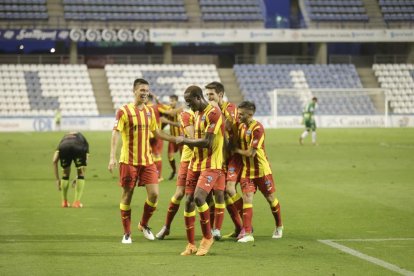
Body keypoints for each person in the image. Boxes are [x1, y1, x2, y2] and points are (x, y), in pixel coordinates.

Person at [108, 78, 178, 244]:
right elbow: (115, 132)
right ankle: (126, 233)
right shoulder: (124, 111)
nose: (145, 93)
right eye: (142, 90)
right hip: (128, 161)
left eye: (147, 91)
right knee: (127, 194)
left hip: (147, 161)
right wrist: (112, 156)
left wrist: (176, 139)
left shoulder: (150, 112)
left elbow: (157, 132)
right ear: (134, 91)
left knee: (154, 194)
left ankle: (143, 224)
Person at [175, 85, 226, 256]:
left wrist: (184, 140)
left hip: (212, 164)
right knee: (188, 200)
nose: (189, 106)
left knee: (198, 197)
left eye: (190, 102)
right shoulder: (196, 114)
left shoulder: (214, 113)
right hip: (195, 163)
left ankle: (207, 237)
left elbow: (207, 142)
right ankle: (190, 244)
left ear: (198, 97)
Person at [233, 101, 283, 243]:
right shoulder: (241, 126)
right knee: (247, 198)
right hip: (247, 171)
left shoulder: (258, 129)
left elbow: (251, 153)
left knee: (270, 199)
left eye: (241, 114)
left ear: (250, 114)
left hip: (262, 171)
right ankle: (248, 233)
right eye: (238, 113)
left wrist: (234, 150)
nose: (239, 116)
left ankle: (279, 226)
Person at [205, 81, 243, 239]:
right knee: (225, 194)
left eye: (211, 94)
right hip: (220, 157)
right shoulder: (210, 110)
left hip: (234, 156)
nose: (209, 98)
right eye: (207, 95)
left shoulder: (230, 108)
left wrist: (216, 111)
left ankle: (246, 226)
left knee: (229, 189)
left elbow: (228, 127)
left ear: (220, 95)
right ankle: (240, 227)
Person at [155, 108, 195, 240]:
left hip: (204, 161)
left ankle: (212, 230)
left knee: (202, 197)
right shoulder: (186, 114)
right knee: (179, 194)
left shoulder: (208, 114)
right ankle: (166, 226)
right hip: (186, 159)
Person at [52, 132, 89, 208]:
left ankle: (64, 202)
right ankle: (76, 203)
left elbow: (54, 161)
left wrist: (57, 179)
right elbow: (86, 162)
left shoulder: (63, 140)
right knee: (80, 173)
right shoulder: (83, 140)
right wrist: (77, 177)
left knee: (65, 174)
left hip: (64, 147)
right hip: (78, 147)